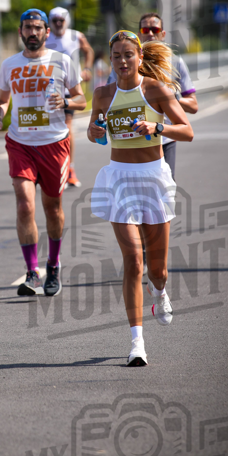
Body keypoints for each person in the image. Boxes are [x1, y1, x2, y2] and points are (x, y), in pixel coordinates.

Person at [88, 30, 193, 367]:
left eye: (127, 55)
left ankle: (159, 291)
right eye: (116, 55)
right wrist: (94, 132)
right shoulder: (103, 94)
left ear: (139, 57)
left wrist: (156, 129)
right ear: (111, 58)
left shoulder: (155, 90)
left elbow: (187, 130)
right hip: (119, 178)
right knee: (133, 259)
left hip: (153, 179)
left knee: (157, 269)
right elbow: (96, 132)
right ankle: (137, 343)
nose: (121, 61)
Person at [0, 8, 86, 297]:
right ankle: (32, 272)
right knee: (24, 204)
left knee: (52, 208)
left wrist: (66, 99)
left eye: (37, 28)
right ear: (20, 32)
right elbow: (2, 99)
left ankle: (53, 264)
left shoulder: (62, 61)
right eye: (27, 28)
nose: (32, 33)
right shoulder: (10, 65)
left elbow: (81, 99)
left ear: (46, 32)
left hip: (54, 142)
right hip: (20, 142)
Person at [107, 13, 197, 180]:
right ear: (139, 34)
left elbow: (193, 106)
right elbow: (110, 101)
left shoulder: (175, 62)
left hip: (164, 139)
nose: (150, 33)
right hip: (129, 142)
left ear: (162, 34)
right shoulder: (122, 65)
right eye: (145, 29)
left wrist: (168, 98)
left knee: (163, 193)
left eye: (154, 29)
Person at [47, 6, 94, 187]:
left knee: (66, 127)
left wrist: (87, 69)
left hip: (69, 89)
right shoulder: (45, 37)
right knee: (49, 129)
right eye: (55, 20)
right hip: (49, 90)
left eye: (62, 20)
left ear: (67, 21)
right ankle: (55, 169)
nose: (59, 24)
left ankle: (69, 169)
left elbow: (88, 51)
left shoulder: (76, 36)